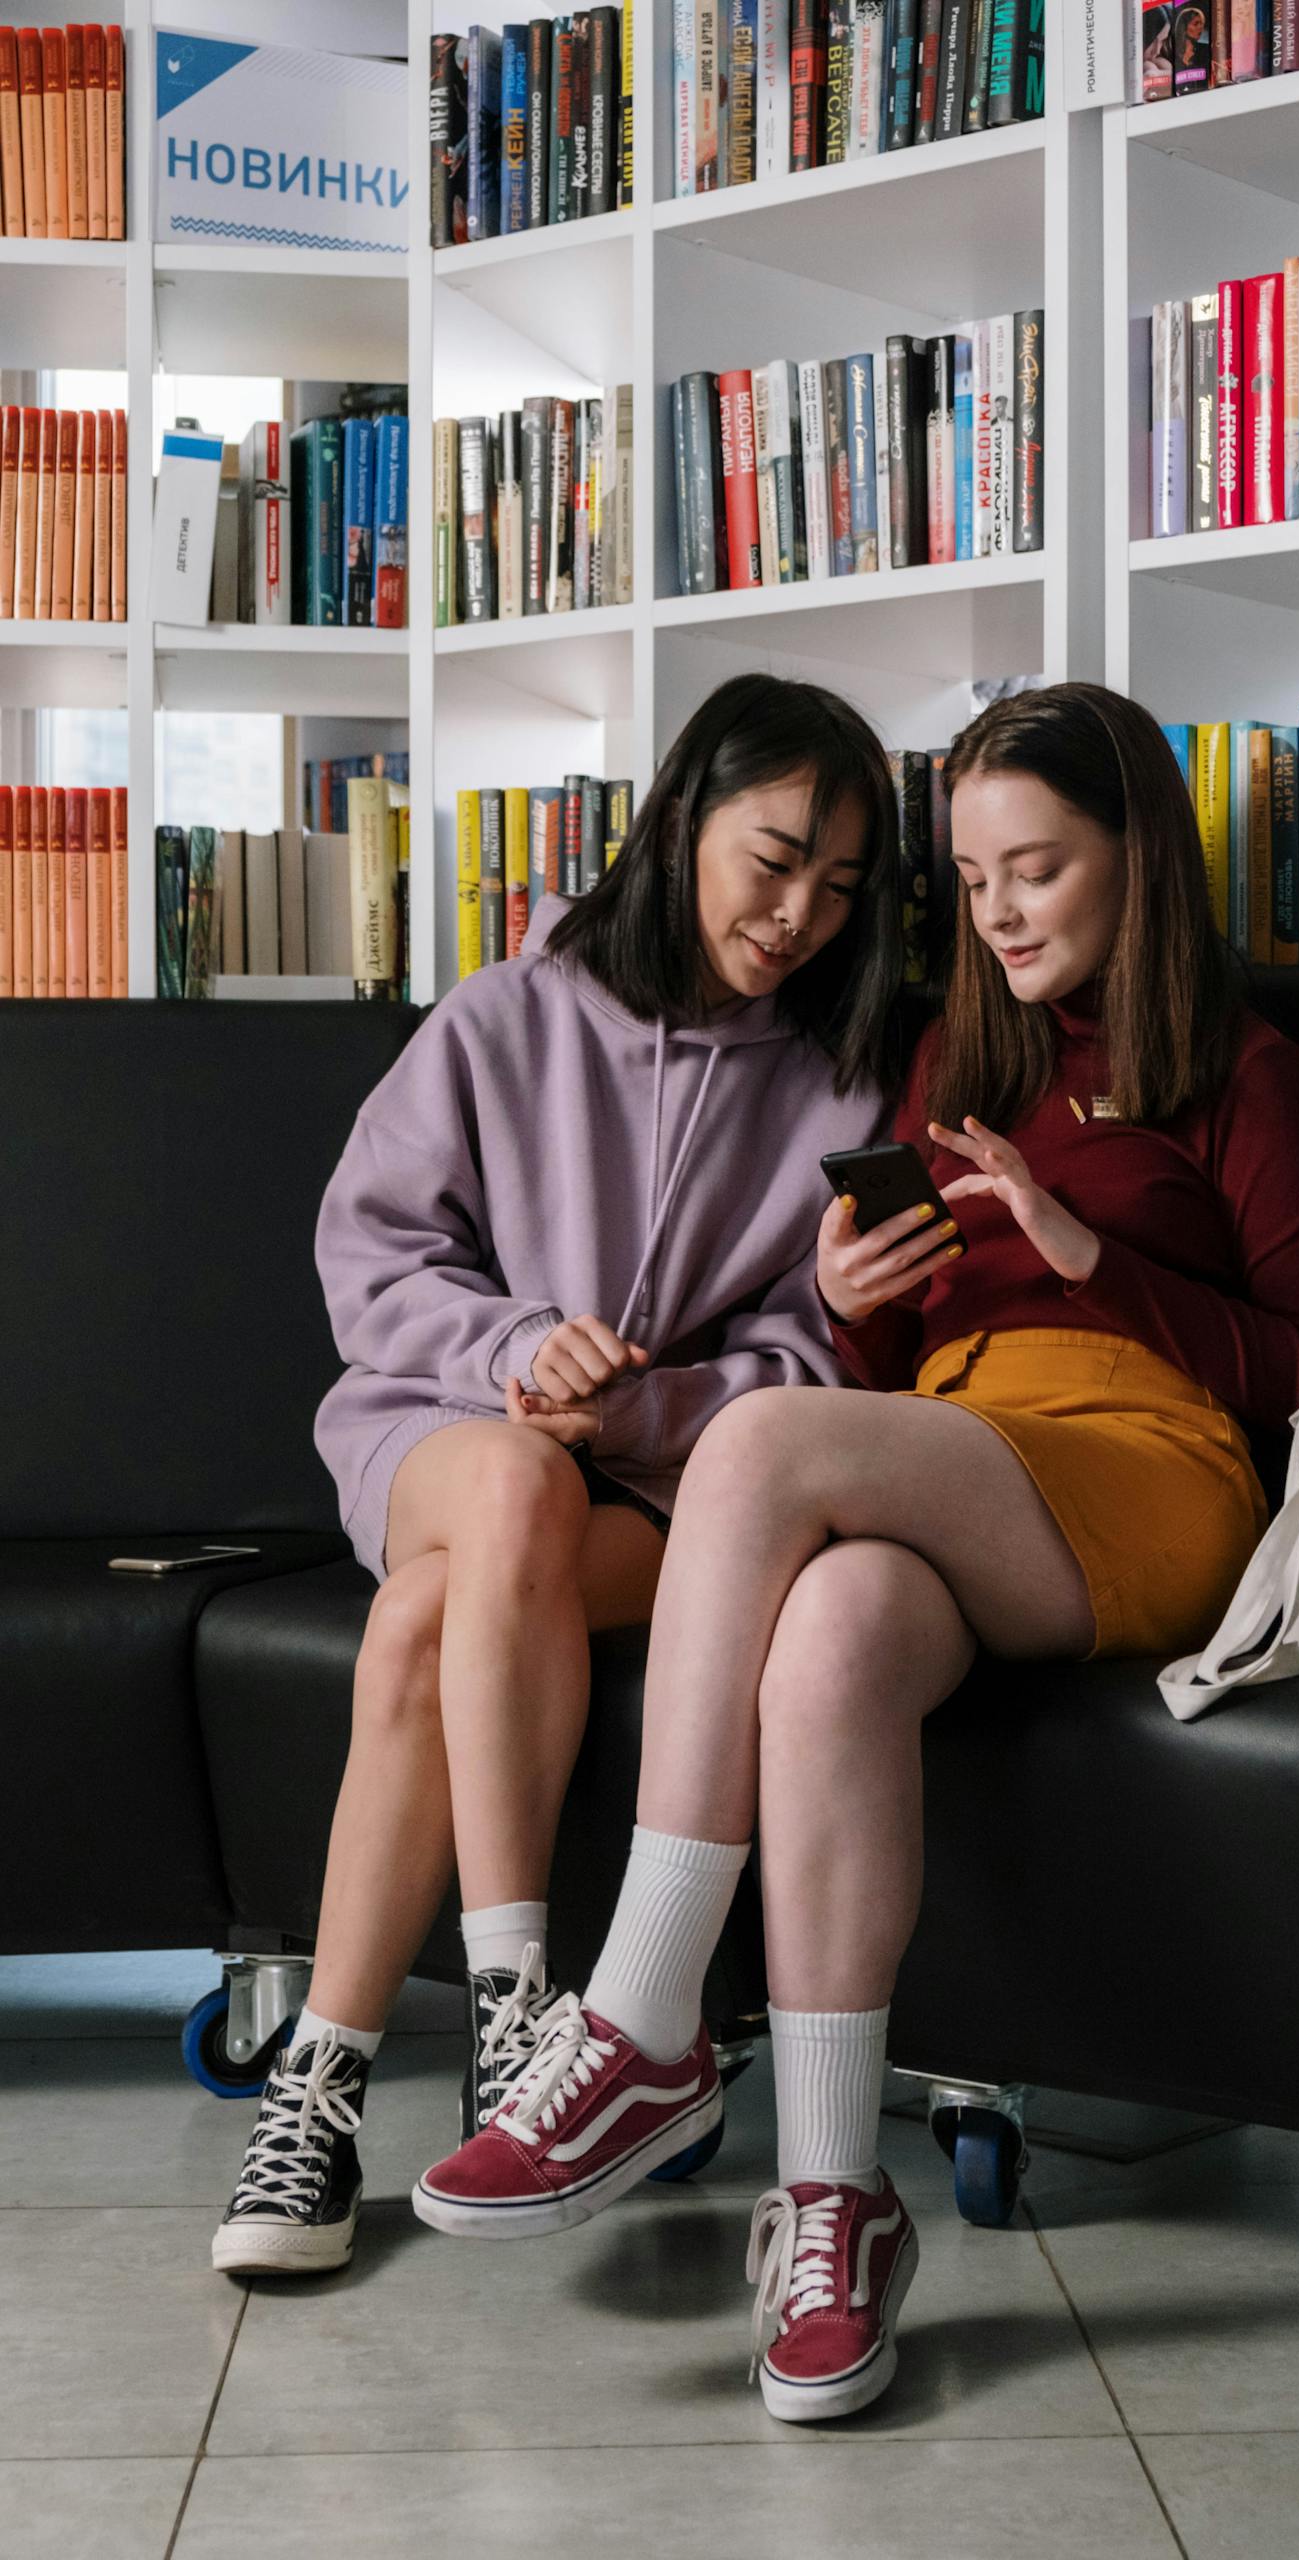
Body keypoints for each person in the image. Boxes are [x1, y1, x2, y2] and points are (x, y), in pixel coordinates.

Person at [417, 680, 1299, 2421]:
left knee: (755, 1440)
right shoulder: (953, 1053)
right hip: (955, 1451)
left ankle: (640, 2023)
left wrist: (1097, 1261)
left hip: (1152, 1463)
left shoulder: (1242, 1066)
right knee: (836, 1626)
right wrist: (856, 1318)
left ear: (1136, 864)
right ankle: (836, 2200)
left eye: (1041, 871)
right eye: (975, 878)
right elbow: (890, 1379)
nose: (998, 913)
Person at [212, 671, 903, 2278]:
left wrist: (653, 1408)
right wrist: (516, 1348)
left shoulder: (844, 1075)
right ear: (681, 827)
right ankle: (523, 2000)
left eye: (840, 887)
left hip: (675, 1490)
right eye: (773, 857)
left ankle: (320, 2073)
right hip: (435, 1432)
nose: (799, 913)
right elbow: (368, 1256)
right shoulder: (501, 1019)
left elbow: (825, 1359)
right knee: (509, 1498)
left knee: (426, 1625)